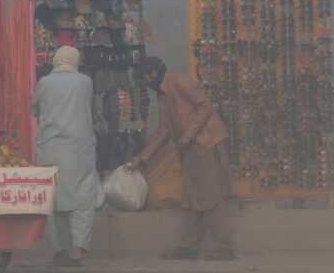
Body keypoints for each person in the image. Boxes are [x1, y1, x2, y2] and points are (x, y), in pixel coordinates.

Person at [126, 57, 237, 261]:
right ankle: (188, 246)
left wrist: (188, 135)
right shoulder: (162, 94)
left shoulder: (179, 81)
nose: (144, 82)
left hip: (205, 143)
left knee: (211, 197)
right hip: (190, 148)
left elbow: (205, 106)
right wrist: (142, 158)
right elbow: (165, 129)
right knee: (191, 197)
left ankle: (225, 246)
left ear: (152, 73)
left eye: (144, 77)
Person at [32, 46, 104, 267]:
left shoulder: (44, 83)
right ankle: (76, 249)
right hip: (79, 149)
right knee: (82, 197)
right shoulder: (85, 82)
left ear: (55, 60)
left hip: (51, 149)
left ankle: (57, 249)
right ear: (75, 60)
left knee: (52, 199)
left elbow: (35, 110)